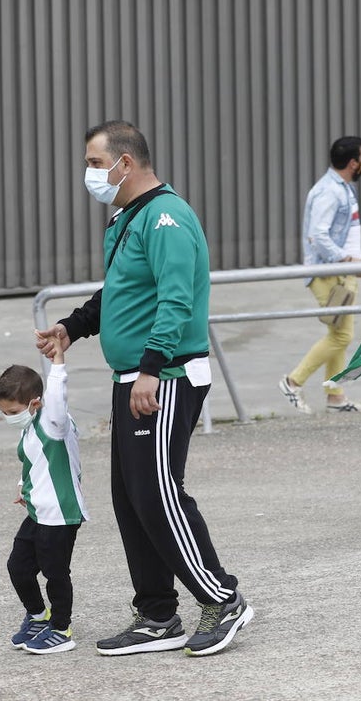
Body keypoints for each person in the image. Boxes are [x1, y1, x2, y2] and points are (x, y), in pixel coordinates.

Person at [36, 120, 253, 657]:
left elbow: (176, 300)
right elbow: (120, 291)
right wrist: (73, 326)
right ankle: (157, 614)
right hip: (134, 376)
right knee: (132, 498)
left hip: (166, 376)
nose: (89, 173)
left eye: (94, 163)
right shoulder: (128, 218)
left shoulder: (165, 217)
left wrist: (153, 369)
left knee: (158, 492)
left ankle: (222, 598)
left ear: (124, 163)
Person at [0, 331, 90, 655]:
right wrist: (24, 488)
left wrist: (58, 361)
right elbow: (34, 464)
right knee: (18, 566)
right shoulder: (30, 428)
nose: (8, 417)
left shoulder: (52, 422)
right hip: (39, 512)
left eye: (11, 411)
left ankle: (61, 629)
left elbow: (58, 398)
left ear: (35, 403)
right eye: (3, 412)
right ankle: (37, 616)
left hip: (60, 514)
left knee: (55, 573)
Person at [278, 136, 361, 414]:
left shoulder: (341, 187)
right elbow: (318, 235)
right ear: (354, 163)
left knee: (338, 332)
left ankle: (335, 396)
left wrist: (355, 264)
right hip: (329, 273)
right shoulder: (330, 191)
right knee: (341, 336)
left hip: (340, 273)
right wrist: (344, 259)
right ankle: (293, 381)